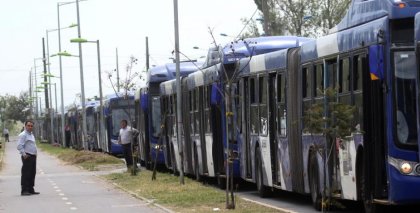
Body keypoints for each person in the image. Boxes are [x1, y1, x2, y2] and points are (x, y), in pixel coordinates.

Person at [17, 120, 40, 196]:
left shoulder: (31, 134)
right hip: (27, 156)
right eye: (28, 125)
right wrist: (24, 154)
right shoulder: (23, 135)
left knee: (32, 173)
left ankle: (30, 189)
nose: (30, 127)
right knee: (26, 173)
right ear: (25, 126)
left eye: (31, 126)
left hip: (33, 156)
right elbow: (19, 146)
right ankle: (24, 190)